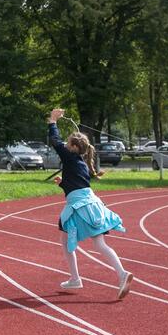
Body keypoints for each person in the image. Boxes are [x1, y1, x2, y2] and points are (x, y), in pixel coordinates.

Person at [48, 108, 133, 300]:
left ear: (74, 147)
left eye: (68, 143)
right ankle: (121, 274)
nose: (65, 144)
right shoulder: (81, 163)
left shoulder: (70, 157)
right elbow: (77, 185)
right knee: (100, 244)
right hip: (92, 205)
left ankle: (76, 277)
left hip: (79, 207)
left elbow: (55, 141)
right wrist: (63, 183)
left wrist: (53, 120)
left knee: (65, 241)